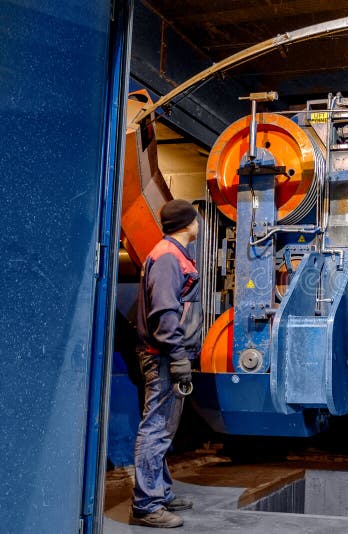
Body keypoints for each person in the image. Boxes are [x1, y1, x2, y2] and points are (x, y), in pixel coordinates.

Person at [130, 199, 201, 528]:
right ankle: (146, 506)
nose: (198, 224)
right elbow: (164, 313)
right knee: (156, 429)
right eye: (196, 219)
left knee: (163, 429)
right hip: (162, 357)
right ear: (188, 224)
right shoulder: (168, 257)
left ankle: (160, 492)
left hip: (166, 355)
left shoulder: (172, 254)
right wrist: (178, 356)